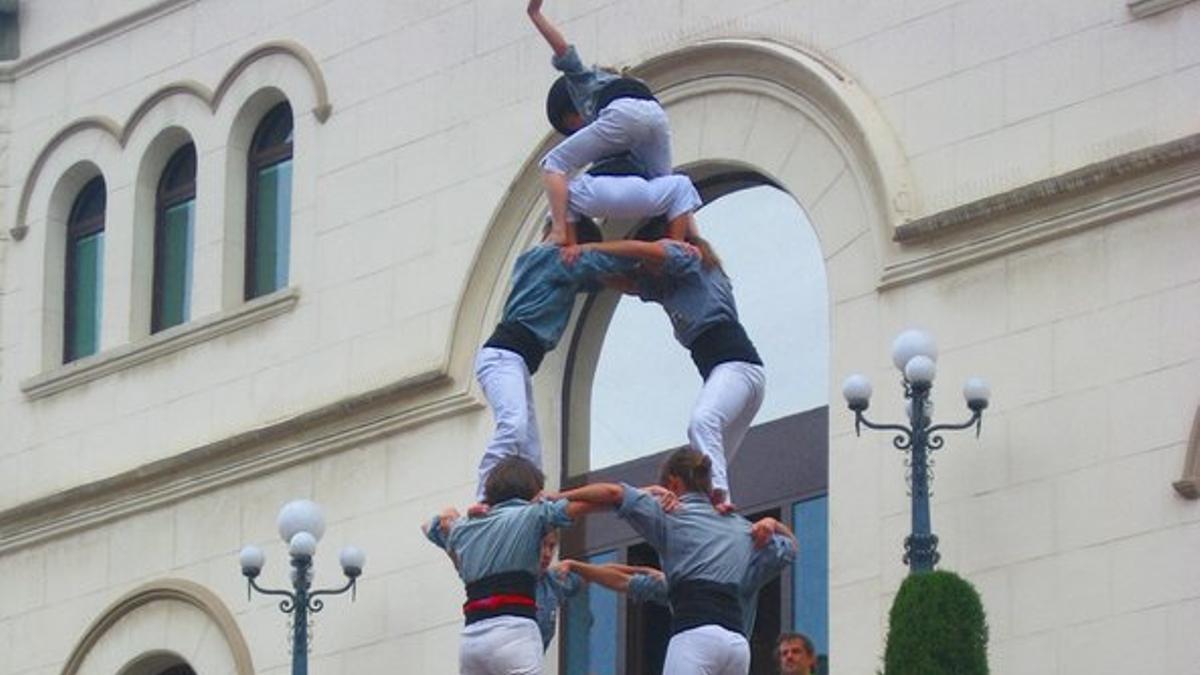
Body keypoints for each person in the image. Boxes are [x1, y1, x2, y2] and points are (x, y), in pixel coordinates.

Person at [563, 226, 765, 506]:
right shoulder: (669, 286)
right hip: (739, 374)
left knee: (702, 423)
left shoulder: (689, 258)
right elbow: (630, 285)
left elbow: (642, 250)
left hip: (736, 366)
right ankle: (707, 507)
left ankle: (719, 496)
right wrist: (586, 269)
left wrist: (588, 249)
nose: (645, 268)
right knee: (702, 462)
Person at [556, 448, 767, 675]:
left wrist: (557, 497)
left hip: (697, 633)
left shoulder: (673, 514)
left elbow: (613, 493)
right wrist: (771, 525)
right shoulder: (741, 528)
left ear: (674, 484)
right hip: (737, 646)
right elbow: (636, 580)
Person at [473, 216, 637, 502]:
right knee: (513, 425)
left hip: (513, 361)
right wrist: (656, 252)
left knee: (531, 450)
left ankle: (526, 503)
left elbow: (597, 279)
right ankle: (484, 497)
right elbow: (606, 264)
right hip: (504, 356)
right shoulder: (552, 259)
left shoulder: (540, 263)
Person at [528, 0, 696, 244]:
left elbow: (562, 49)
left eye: (572, 122)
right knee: (668, 182)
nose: (578, 129)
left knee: (553, 164)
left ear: (572, 108)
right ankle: (691, 240)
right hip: (656, 115)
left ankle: (560, 232)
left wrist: (535, 15)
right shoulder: (624, 84)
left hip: (622, 114)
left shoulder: (583, 82)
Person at [423, 456, 606, 675]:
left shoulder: (466, 527)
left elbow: (430, 526)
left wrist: (449, 515)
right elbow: (603, 498)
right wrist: (635, 497)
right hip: (514, 633)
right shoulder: (533, 515)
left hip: (472, 640)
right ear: (535, 491)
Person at [562, 513, 797, 638]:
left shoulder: (685, 586)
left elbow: (624, 581)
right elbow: (790, 548)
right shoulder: (737, 575)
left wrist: (772, 523)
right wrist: (576, 566)